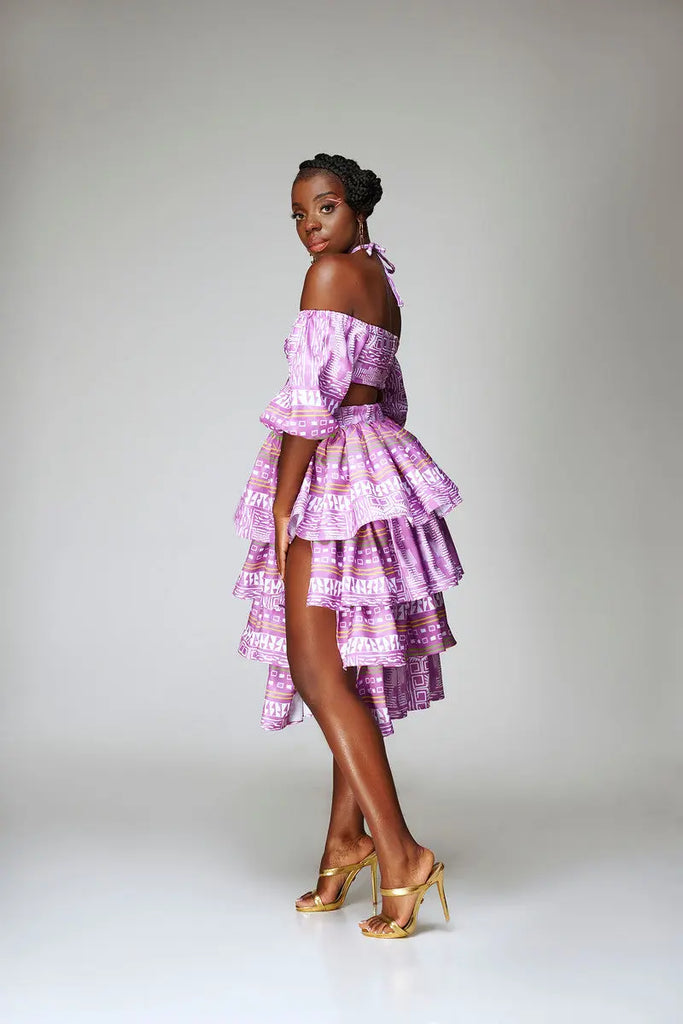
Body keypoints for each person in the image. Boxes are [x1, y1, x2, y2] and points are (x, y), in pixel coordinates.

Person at [233, 152, 464, 938]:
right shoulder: (380, 285)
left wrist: (282, 504)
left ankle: (400, 854)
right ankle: (344, 840)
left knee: (316, 667)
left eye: (323, 208)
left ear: (356, 206)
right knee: (347, 669)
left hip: (333, 475)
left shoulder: (330, 278)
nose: (309, 227)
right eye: (298, 214)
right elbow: (387, 399)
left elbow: (309, 407)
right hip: (376, 470)